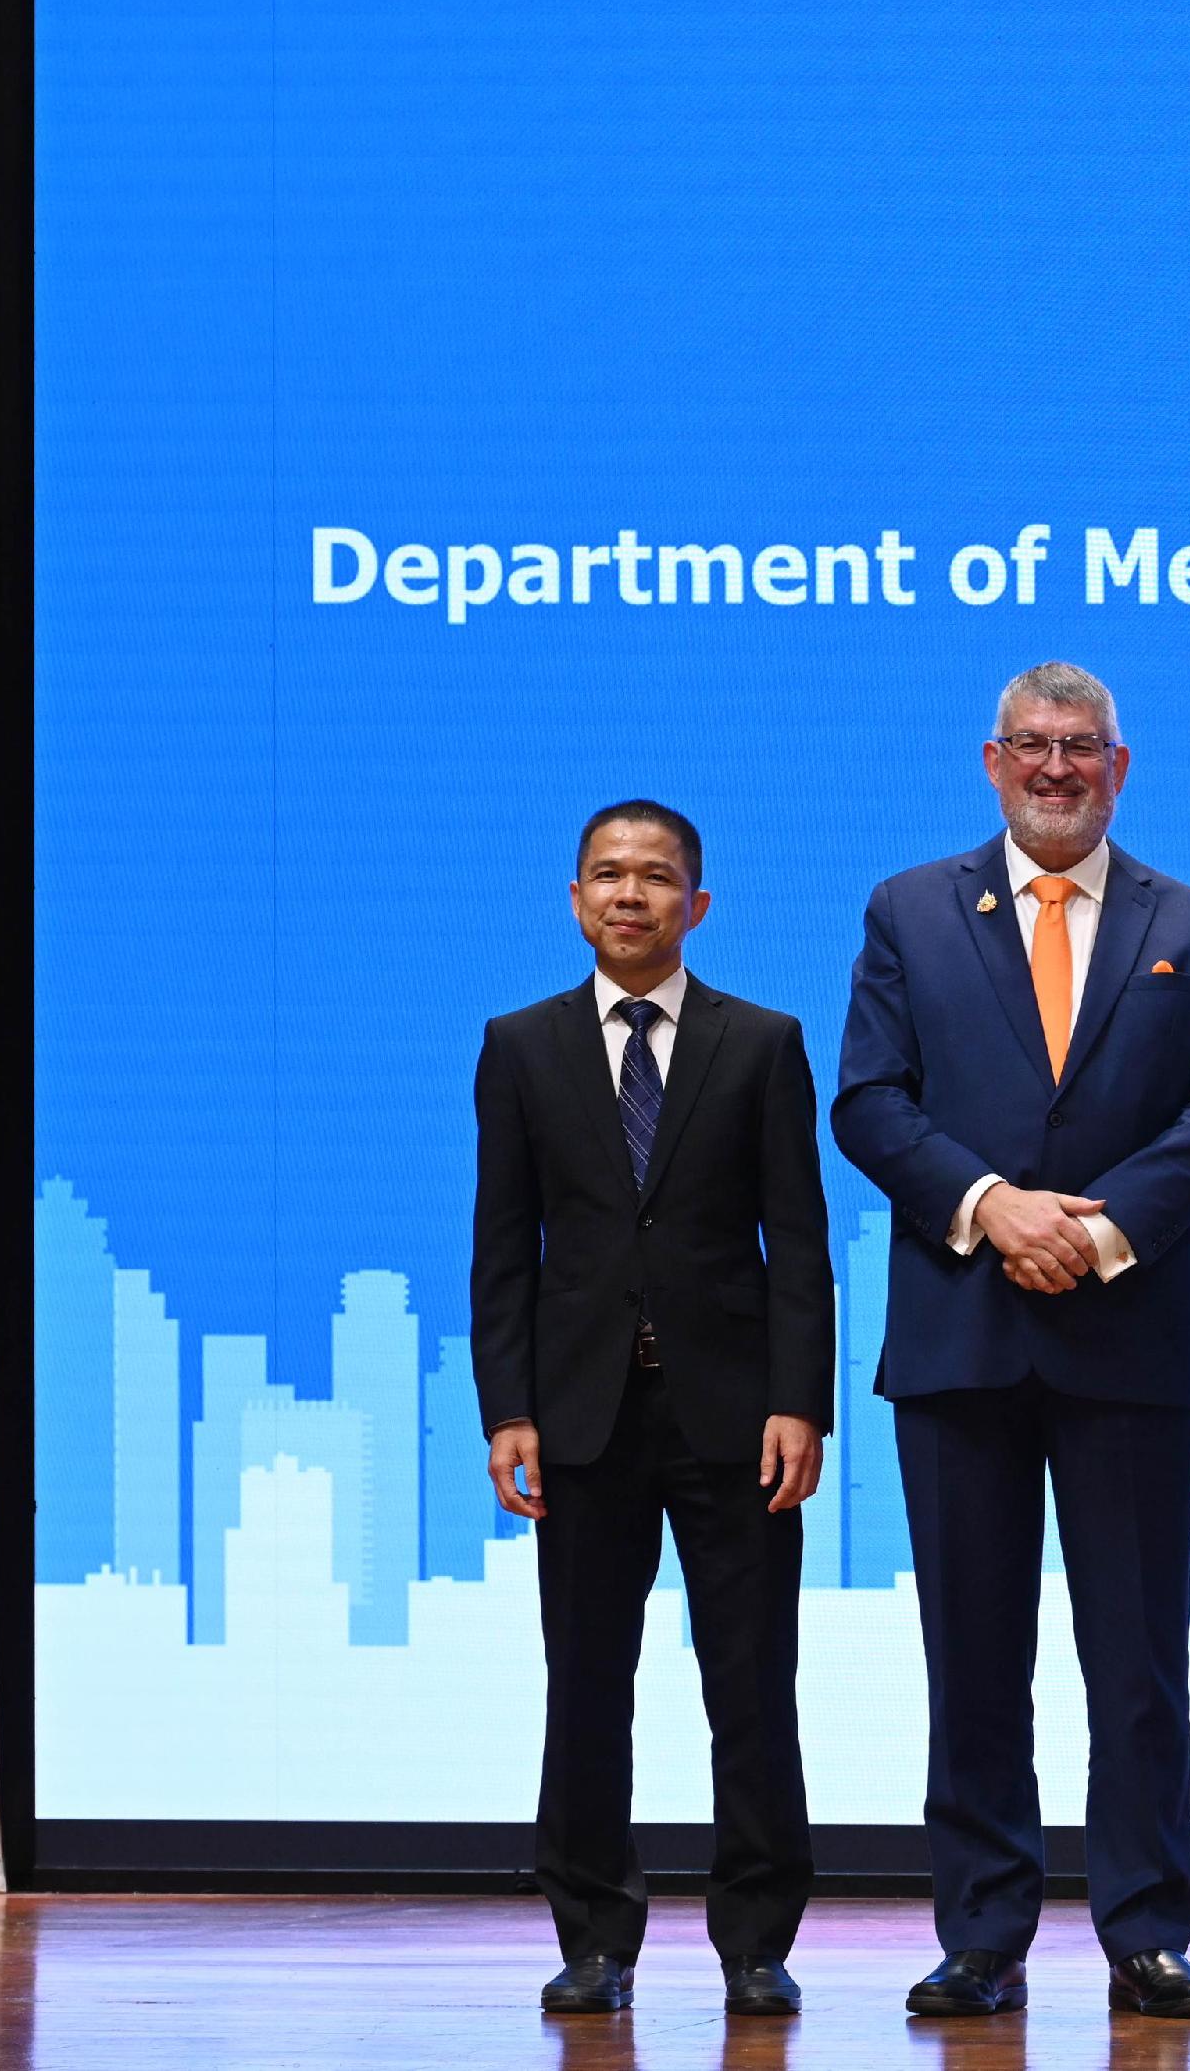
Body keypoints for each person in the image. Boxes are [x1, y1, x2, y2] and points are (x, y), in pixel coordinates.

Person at [832, 662, 1190, 2021]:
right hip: (963, 1329)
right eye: (1034, 745)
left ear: (1120, 767)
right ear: (992, 759)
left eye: (1083, 747)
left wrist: (1101, 1226)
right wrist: (990, 1206)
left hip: (1127, 1328)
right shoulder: (909, 908)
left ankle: (1144, 1928)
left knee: (1137, 1656)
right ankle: (982, 1934)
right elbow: (870, 1100)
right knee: (974, 1650)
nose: (1058, 767)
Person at [472, 799, 832, 2020]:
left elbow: (800, 1240)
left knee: (750, 1679)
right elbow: (501, 1247)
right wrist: (504, 1406)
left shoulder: (761, 1040)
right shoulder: (519, 1045)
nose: (631, 895)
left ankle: (756, 1943)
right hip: (578, 1416)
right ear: (575, 899)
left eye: (657, 877)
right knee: (585, 1679)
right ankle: (592, 1937)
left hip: (734, 1416)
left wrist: (803, 1403)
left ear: (698, 904)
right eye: (607, 876)